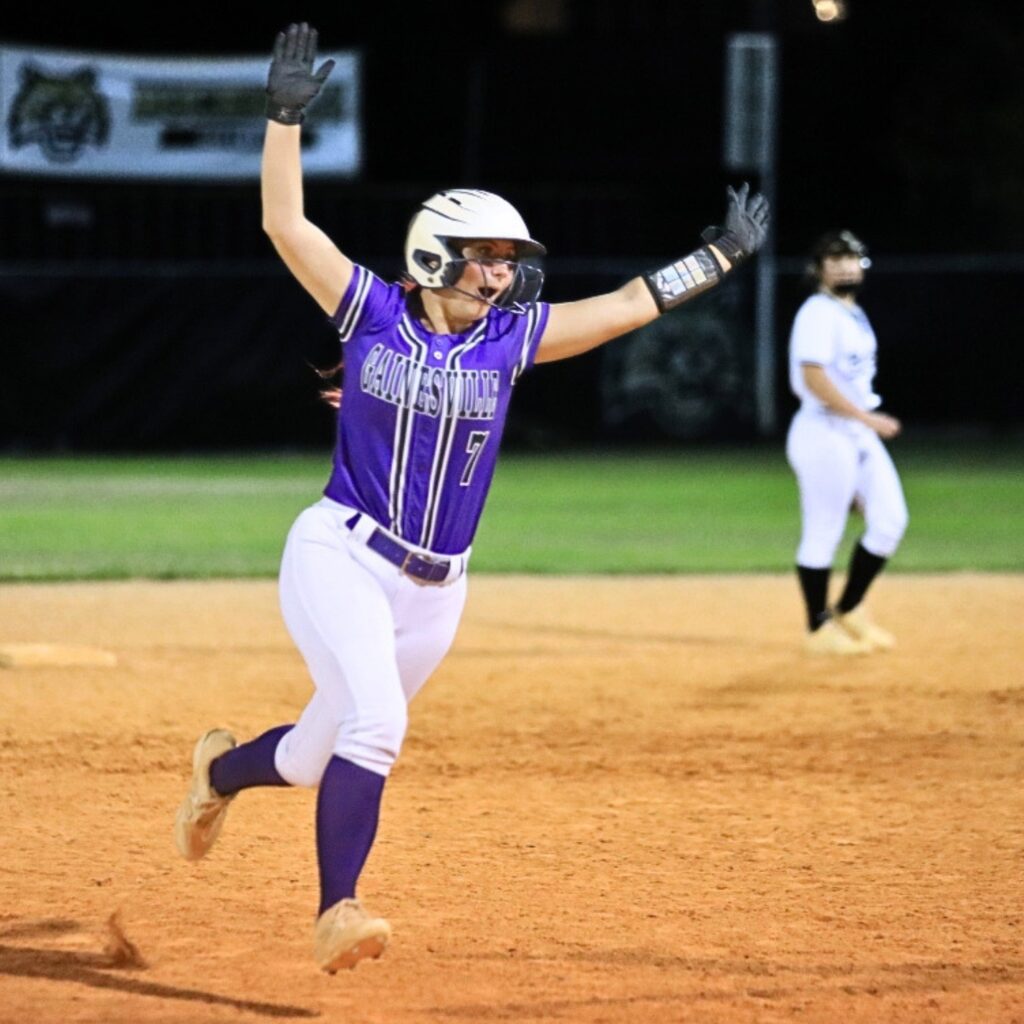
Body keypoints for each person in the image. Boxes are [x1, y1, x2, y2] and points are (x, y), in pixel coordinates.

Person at [173, 22, 770, 974]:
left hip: (438, 591)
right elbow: (287, 227)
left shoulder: (510, 340)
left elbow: (621, 308)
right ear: (435, 257)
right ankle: (338, 912)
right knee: (377, 726)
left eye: (509, 258)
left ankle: (217, 773)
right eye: (486, 255)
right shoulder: (370, 310)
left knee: (315, 753)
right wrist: (284, 115)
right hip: (341, 553)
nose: (504, 273)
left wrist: (720, 259)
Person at [785, 229, 909, 656]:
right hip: (823, 431)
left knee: (890, 520)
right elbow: (813, 376)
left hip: (856, 432)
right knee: (824, 530)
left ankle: (850, 608)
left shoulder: (850, 313)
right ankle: (817, 628)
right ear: (818, 270)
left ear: (862, 265)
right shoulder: (817, 313)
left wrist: (862, 422)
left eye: (850, 258)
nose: (843, 265)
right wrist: (865, 417)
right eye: (833, 259)